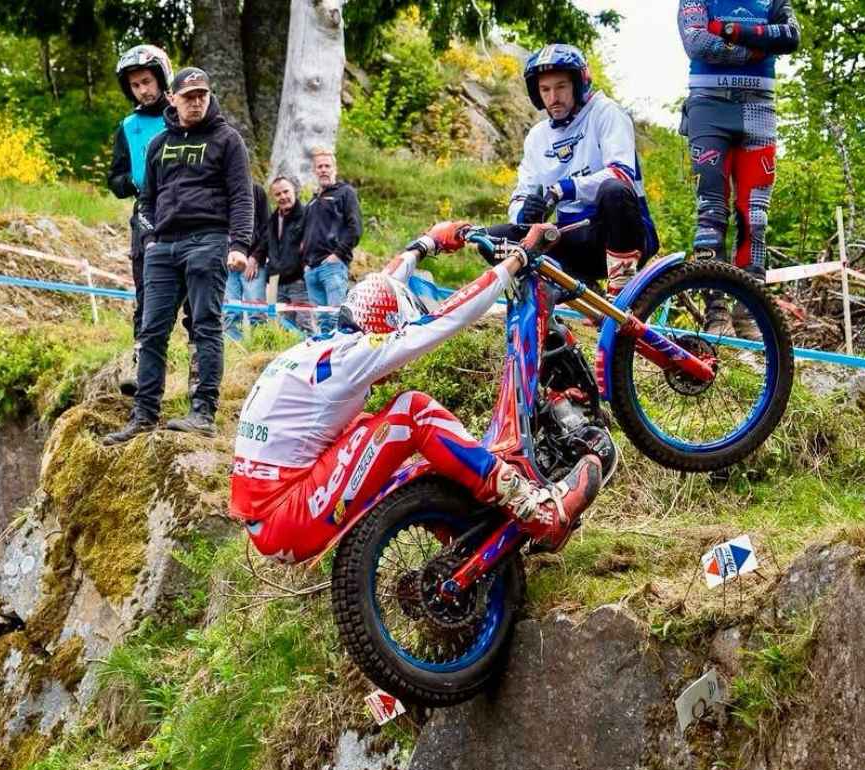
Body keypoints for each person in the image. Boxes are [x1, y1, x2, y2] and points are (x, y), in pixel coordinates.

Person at [230, 221, 603, 563]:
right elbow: (447, 319)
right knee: (413, 411)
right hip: (287, 519)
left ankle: (463, 533)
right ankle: (534, 511)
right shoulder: (355, 357)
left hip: (270, 517)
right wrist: (516, 261)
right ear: (384, 331)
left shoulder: (324, 346)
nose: (393, 370)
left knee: (372, 429)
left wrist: (424, 245)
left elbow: (377, 288)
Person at [103, 67, 254, 446]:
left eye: (202, 94)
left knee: (205, 324)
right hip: (163, 247)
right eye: (188, 96)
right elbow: (146, 199)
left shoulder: (228, 139)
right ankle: (144, 415)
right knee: (152, 329)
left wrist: (239, 245)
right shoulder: (157, 144)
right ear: (173, 98)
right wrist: (152, 239)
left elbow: (242, 195)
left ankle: (202, 412)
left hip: (209, 240)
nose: (196, 101)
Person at [678, 1, 800, 338]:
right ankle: (716, 312)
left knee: (755, 215)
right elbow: (696, 44)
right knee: (710, 211)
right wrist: (758, 48)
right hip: (707, 105)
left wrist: (727, 30)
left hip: (760, 107)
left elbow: (791, 37)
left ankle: (751, 312)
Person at [509, 44, 658, 300]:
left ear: (579, 84)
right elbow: (522, 191)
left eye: (561, 87)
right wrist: (525, 211)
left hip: (622, 231)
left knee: (614, 190)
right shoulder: (537, 136)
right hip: (572, 238)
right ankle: (577, 294)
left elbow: (621, 175)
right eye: (545, 90)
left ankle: (621, 297)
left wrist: (563, 189)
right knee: (493, 240)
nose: (553, 97)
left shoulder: (606, 112)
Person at [107, 44, 172, 395]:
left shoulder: (181, 114)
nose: (143, 90)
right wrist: (132, 181)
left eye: (147, 81)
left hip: (186, 212)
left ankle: (197, 375)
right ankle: (142, 368)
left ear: (161, 78)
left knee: (194, 299)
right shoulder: (128, 127)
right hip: (145, 214)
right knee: (146, 294)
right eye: (135, 85)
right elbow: (114, 179)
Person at [302, 148, 363, 333]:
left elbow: (355, 228)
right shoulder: (312, 201)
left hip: (333, 267)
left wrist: (337, 255)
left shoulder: (345, 192)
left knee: (338, 319)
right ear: (314, 170)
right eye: (319, 166)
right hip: (311, 270)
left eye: (327, 166)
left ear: (334, 168)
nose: (323, 169)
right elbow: (305, 235)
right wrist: (305, 264)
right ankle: (325, 359)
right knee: (323, 324)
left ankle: (342, 359)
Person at [224, 180, 271, 340]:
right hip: (227, 262)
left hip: (252, 261)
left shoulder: (257, 191)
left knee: (256, 313)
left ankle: (260, 353)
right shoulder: (218, 190)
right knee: (229, 314)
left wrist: (256, 258)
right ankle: (236, 355)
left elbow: (267, 229)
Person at [266, 175, 310, 332]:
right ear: (273, 197)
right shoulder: (271, 220)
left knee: (305, 325)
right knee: (282, 329)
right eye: (278, 194)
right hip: (275, 281)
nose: (283, 197)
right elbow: (265, 246)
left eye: (286, 191)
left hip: (299, 281)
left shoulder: (307, 214)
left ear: (294, 191)